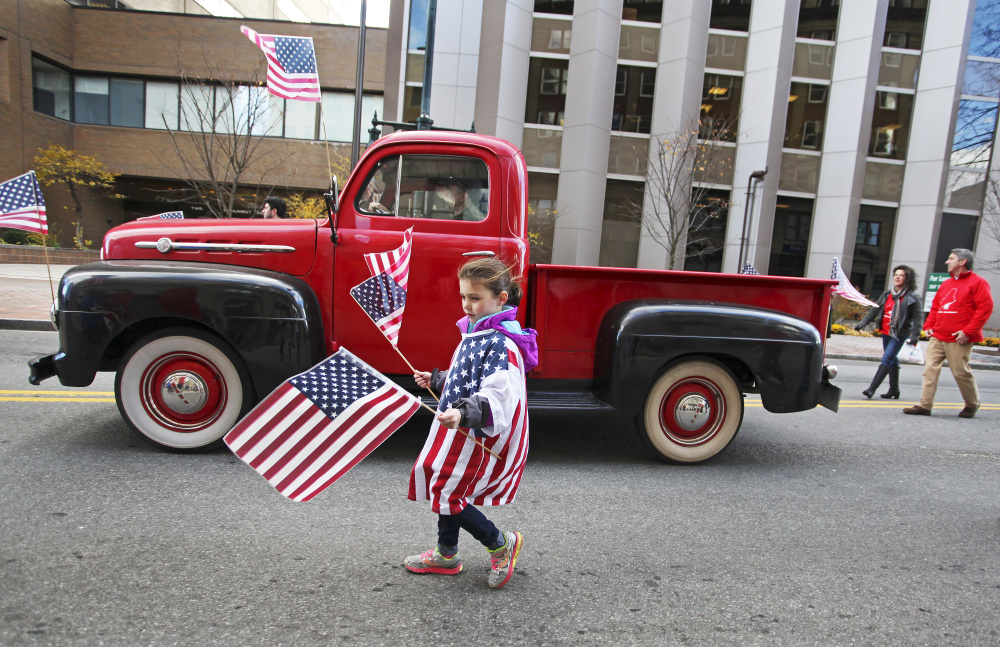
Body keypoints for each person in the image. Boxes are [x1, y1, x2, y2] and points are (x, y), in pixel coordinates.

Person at [405, 257, 538, 589]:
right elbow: (468, 375)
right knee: (444, 483)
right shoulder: (478, 332)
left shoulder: (502, 342)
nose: (467, 304)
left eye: (475, 298)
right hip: (459, 425)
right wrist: (437, 378)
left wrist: (463, 414)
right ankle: (446, 553)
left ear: (501, 299)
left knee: (447, 491)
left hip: (477, 430)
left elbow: (497, 393)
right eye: (464, 296)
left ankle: (500, 543)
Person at [903, 248, 994, 418]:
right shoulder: (946, 283)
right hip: (939, 335)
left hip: (959, 338)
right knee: (930, 369)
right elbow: (936, 306)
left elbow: (985, 308)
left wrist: (968, 331)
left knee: (960, 371)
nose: (947, 262)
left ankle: (972, 403)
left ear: (962, 262)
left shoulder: (978, 283)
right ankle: (924, 405)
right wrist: (929, 324)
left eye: (951, 258)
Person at [855, 265, 923, 399]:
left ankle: (871, 389)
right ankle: (894, 389)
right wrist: (863, 323)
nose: (897, 277)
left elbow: (918, 317)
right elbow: (875, 310)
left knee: (887, 358)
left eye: (901, 275)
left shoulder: (913, 297)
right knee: (892, 360)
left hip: (900, 333)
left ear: (908, 278)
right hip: (886, 331)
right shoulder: (887, 294)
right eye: (896, 275)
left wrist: (915, 335)